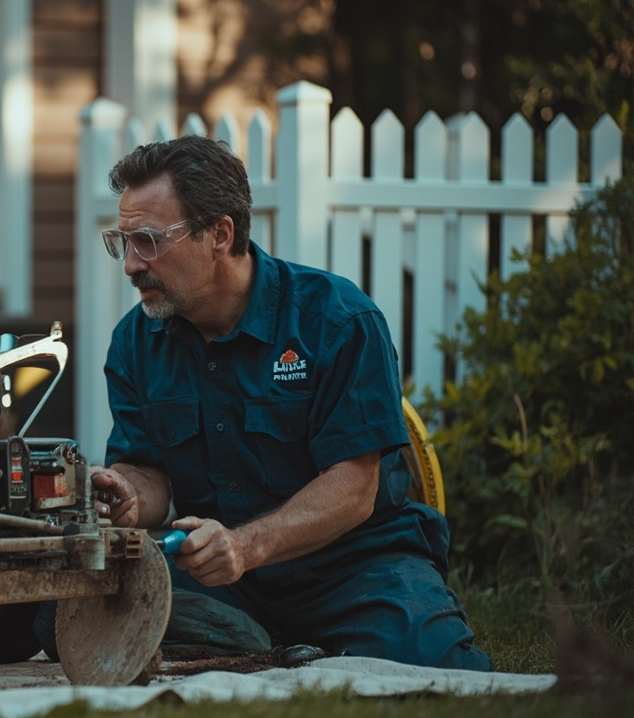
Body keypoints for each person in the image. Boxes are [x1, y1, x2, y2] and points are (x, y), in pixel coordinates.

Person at [55, 135, 491, 670]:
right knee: (57, 611)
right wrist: (128, 493)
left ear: (220, 235)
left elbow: (355, 489)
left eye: (147, 240)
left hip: (354, 567)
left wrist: (245, 546)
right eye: (123, 242)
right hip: (217, 576)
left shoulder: (338, 320)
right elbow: (148, 470)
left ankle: (257, 644)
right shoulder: (135, 341)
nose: (130, 265)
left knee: (438, 664)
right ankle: (263, 641)